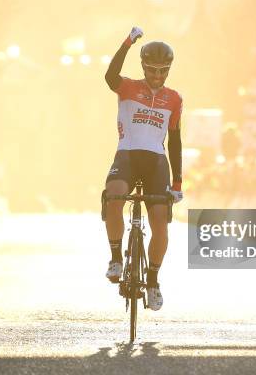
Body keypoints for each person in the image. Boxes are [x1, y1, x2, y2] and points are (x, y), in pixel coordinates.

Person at [103, 27, 183, 311]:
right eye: (151, 70)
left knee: (160, 223)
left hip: (156, 163)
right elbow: (110, 76)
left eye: (163, 71)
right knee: (113, 196)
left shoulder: (174, 99)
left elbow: (175, 141)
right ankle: (115, 258)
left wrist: (178, 183)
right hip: (126, 156)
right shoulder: (127, 87)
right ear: (143, 67)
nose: (157, 76)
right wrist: (126, 42)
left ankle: (152, 281)